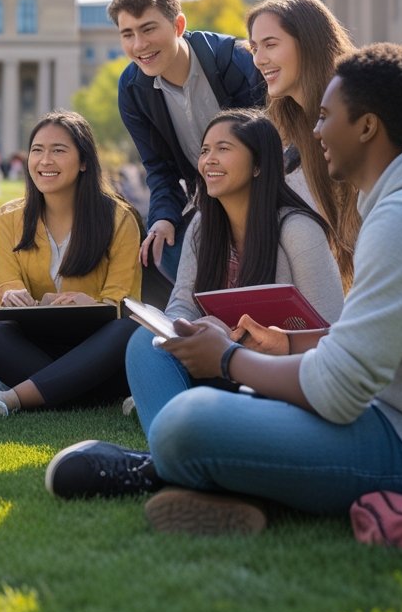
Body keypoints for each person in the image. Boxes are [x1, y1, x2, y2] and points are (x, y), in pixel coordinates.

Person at [47, 43, 402, 539]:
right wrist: (284, 346)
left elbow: (338, 390)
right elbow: (365, 352)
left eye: (327, 115)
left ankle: (168, 466)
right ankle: (220, 474)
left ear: (367, 127)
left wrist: (226, 360)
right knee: (174, 373)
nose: (315, 131)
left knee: (189, 422)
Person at [124, 110, 345, 433]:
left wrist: (237, 339)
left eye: (223, 149)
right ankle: (171, 438)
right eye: (204, 151)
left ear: (258, 165)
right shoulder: (202, 225)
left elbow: (332, 332)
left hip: (275, 374)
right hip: (213, 366)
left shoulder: (297, 229)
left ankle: (180, 437)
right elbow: (181, 303)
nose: (209, 160)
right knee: (145, 341)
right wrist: (193, 327)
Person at [0, 111, 142, 416]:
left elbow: (123, 300)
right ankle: (80, 394)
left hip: (100, 347)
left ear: (84, 162)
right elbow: (6, 284)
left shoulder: (119, 219)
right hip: (41, 346)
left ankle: (8, 398)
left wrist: (95, 303)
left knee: (126, 331)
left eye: (58, 150)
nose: (45, 161)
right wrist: (12, 296)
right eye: (37, 150)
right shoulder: (8, 218)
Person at [112, 0, 265, 299]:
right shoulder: (132, 90)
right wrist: (163, 218)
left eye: (148, 29)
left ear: (178, 25)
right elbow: (159, 168)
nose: (139, 45)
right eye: (128, 34)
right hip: (207, 202)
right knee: (158, 253)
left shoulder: (235, 61)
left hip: (263, 194)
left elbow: (272, 144)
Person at [247, 0, 360, 287]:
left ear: (308, 44)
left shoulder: (356, 113)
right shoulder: (284, 127)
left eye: (270, 44)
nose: (259, 59)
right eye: (254, 48)